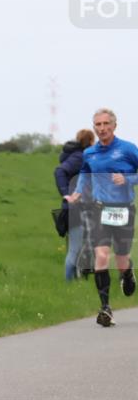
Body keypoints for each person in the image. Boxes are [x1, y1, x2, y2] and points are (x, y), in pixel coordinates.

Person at [67, 108, 138, 326]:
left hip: (123, 209)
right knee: (101, 255)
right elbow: (86, 173)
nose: (102, 128)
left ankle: (127, 273)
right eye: (98, 125)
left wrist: (126, 179)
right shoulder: (90, 153)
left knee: (122, 258)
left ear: (114, 126)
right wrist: (79, 191)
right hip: (99, 209)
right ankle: (105, 308)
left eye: (106, 124)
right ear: (94, 127)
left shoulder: (128, 149)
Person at [55, 129, 96, 280]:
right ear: (90, 141)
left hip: (83, 207)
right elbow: (59, 171)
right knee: (75, 249)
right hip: (77, 209)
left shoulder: (78, 156)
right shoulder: (79, 157)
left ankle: (80, 275)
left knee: (83, 245)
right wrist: (66, 194)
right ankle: (68, 284)